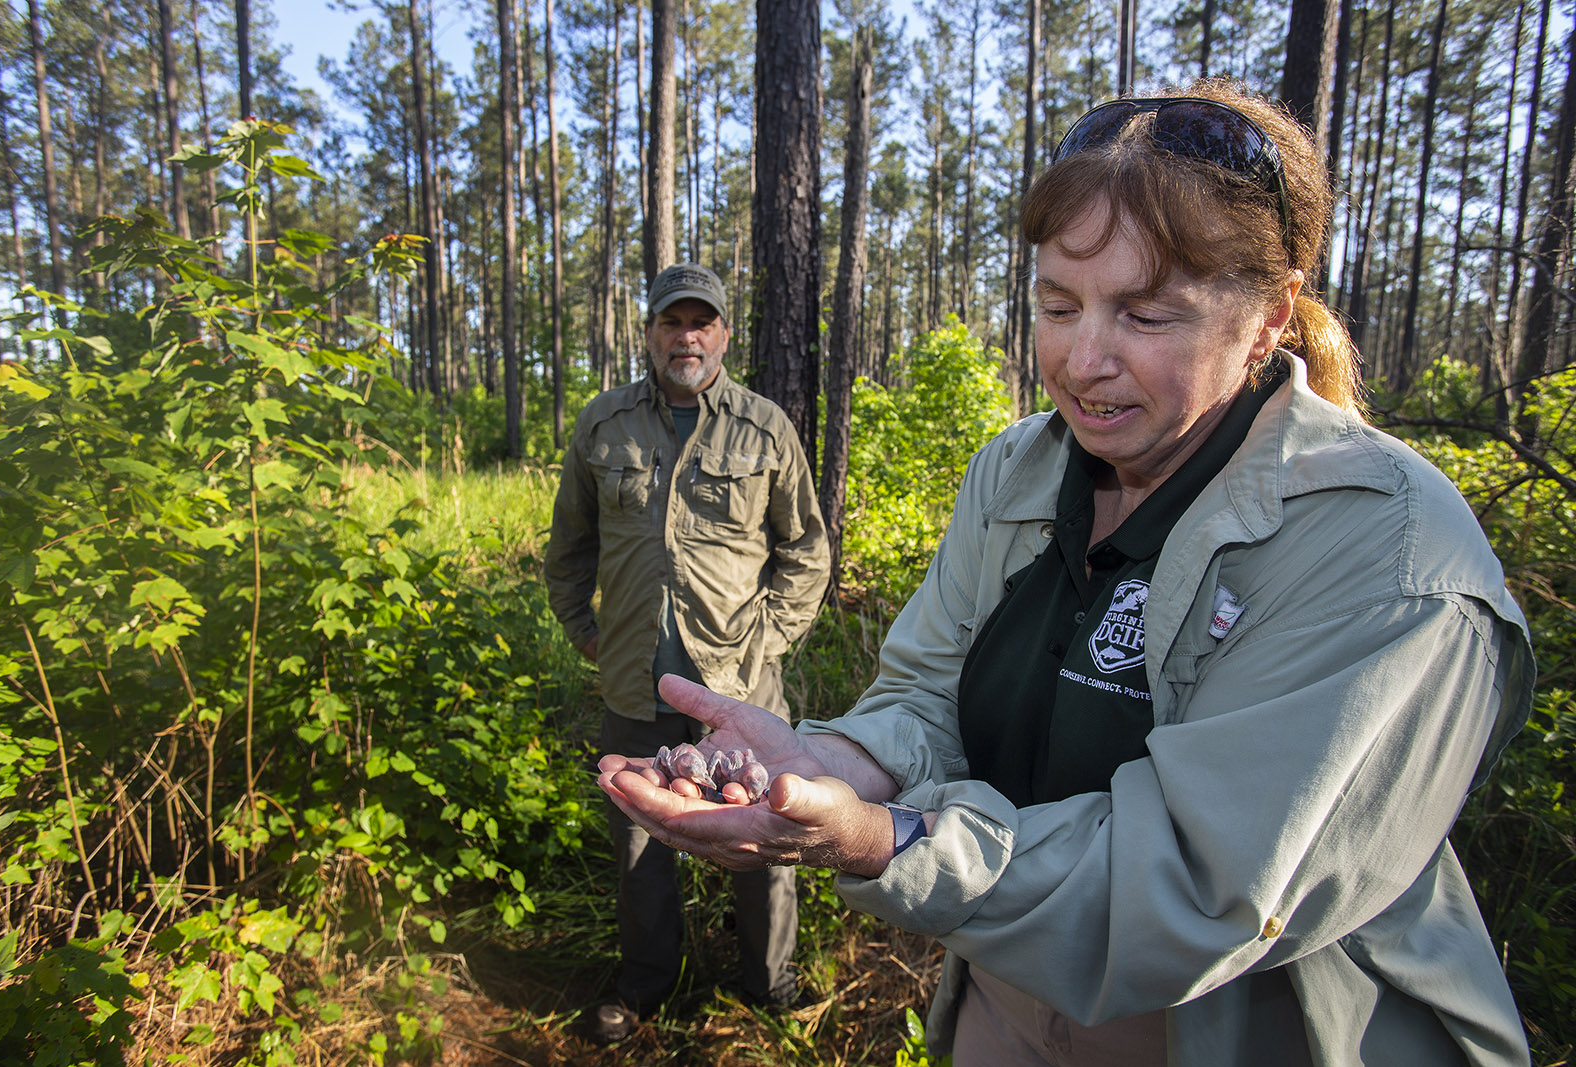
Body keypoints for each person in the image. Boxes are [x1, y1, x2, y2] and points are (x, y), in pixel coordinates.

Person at [598, 81, 1535, 1066]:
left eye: (1145, 314)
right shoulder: (1017, 470)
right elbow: (928, 690)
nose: (1084, 359)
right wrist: (826, 766)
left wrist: (889, 839)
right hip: (1007, 1007)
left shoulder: (1384, 549)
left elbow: (1202, 887)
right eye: (1057, 304)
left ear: (1269, 316)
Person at [545, 261, 830, 1042]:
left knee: (768, 834)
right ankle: (646, 982)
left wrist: (766, 640)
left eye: (702, 321)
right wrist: (588, 633)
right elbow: (568, 549)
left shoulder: (765, 427)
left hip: (740, 688)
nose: (687, 335)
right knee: (639, 839)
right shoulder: (604, 425)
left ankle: (770, 985)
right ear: (649, 334)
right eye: (672, 321)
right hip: (636, 689)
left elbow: (805, 549)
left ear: (725, 335)